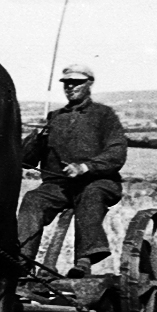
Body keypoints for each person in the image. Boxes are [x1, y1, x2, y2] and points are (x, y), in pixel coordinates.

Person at [18, 63, 127, 278]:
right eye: (67, 83)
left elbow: (116, 152)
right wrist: (36, 139)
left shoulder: (104, 115)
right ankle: (22, 261)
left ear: (89, 84)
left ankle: (84, 260)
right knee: (33, 199)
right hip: (59, 187)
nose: (70, 87)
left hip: (98, 182)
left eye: (76, 82)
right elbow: (25, 160)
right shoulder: (54, 117)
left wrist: (86, 167)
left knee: (90, 194)